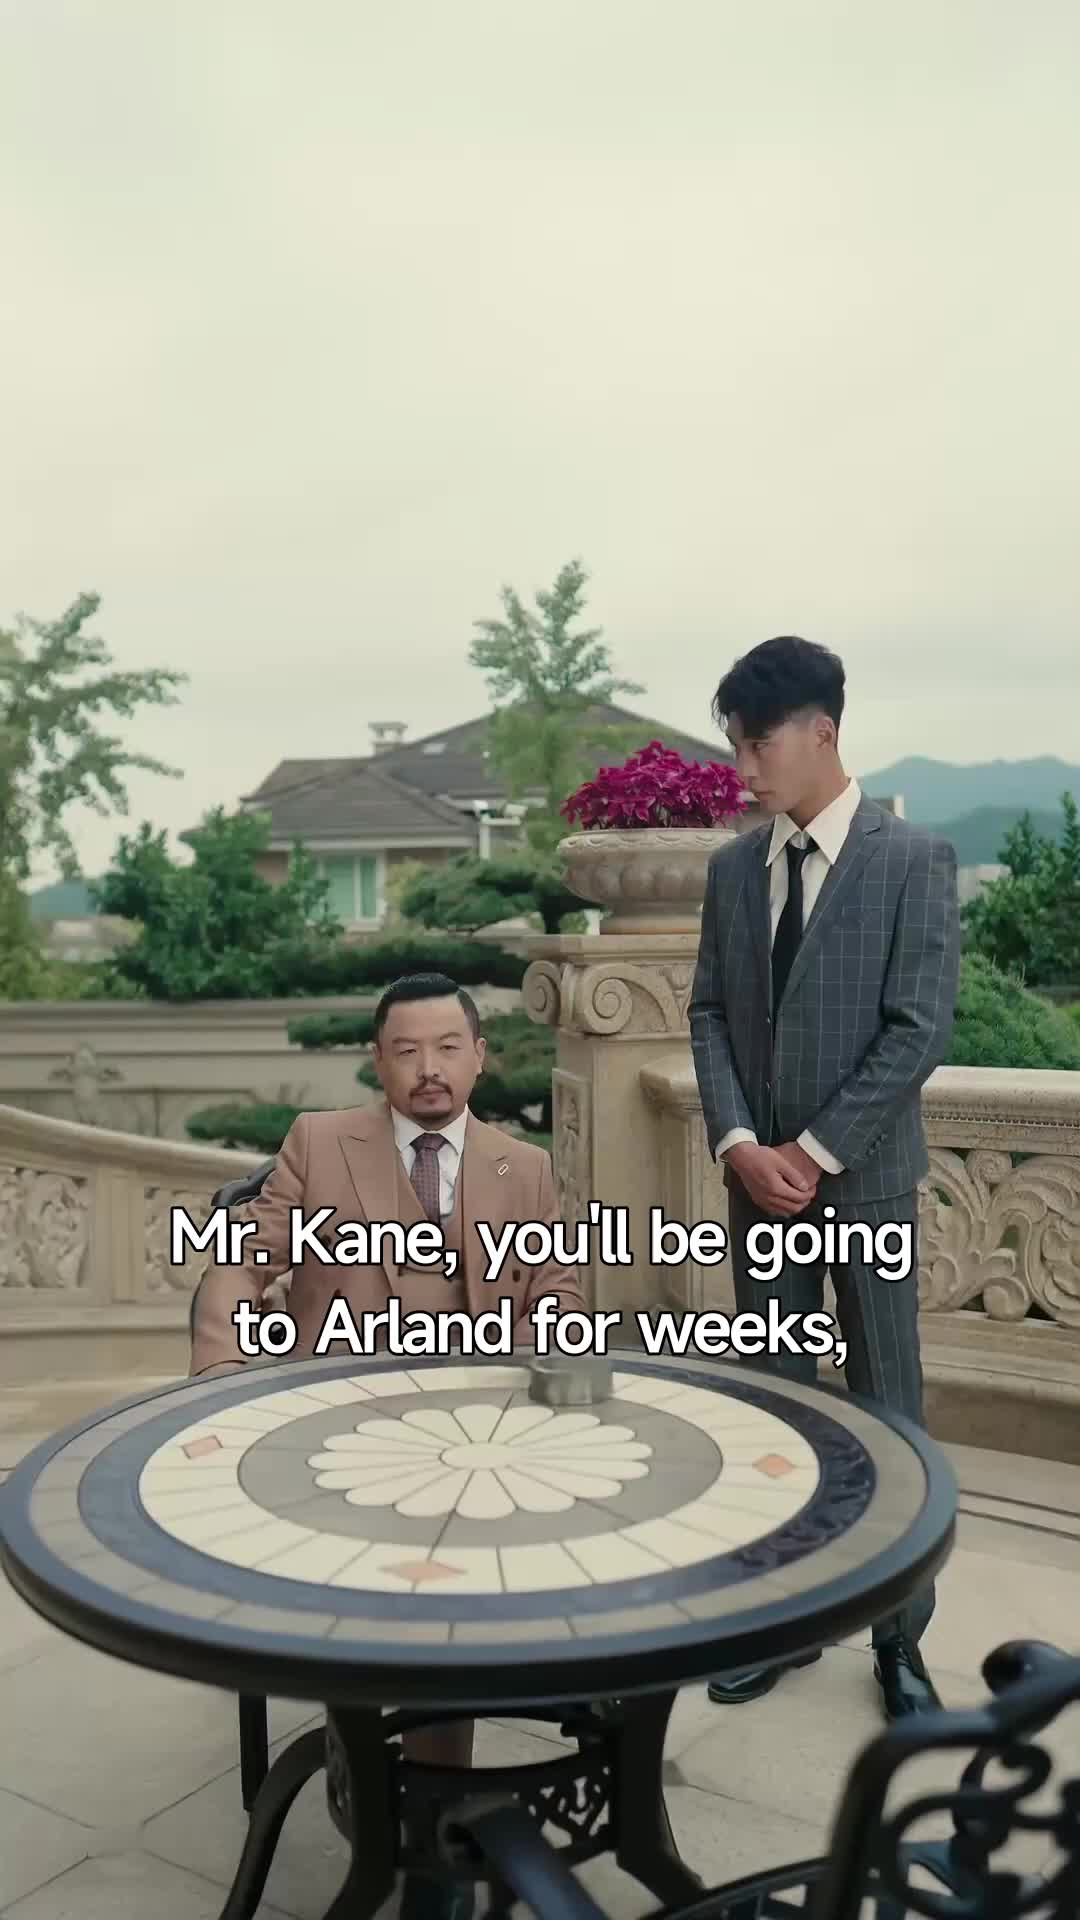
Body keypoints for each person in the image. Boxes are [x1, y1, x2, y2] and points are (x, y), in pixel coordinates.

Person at [189, 970, 584, 1920]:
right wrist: (221, 1368)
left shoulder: (523, 1168)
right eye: (406, 1051)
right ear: (379, 1061)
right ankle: (410, 1808)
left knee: (481, 1557)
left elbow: (560, 1294)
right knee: (410, 1580)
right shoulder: (319, 1143)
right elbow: (242, 1260)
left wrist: (546, 1369)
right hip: (339, 1436)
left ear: (480, 1057)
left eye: (448, 1048)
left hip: (478, 1436)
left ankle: (433, 1805)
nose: (428, 1069)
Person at [688, 636, 960, 1721]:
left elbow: (917, 1029)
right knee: (776, 1404)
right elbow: (710, 1012)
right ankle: (786, 1620)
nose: (743, 767)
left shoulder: (913, 859)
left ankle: (901, 1642)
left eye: (758, 744)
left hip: (867, 1183)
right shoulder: (730, 870)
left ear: (823, 732)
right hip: (756, 1187)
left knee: (888, 1405)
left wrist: (812, 1152)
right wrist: (739, 1142)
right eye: (736, 745)